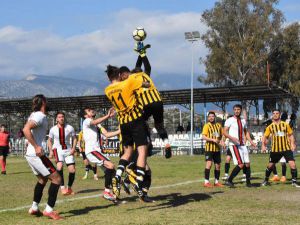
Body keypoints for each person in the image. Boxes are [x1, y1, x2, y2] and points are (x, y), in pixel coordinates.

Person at [105, 65, 150, 201]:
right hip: (135, 120)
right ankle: (139, 180)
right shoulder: (128, 82)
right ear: (119, 75)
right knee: (142, 150)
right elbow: (146, 85)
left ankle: (118, 175)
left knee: (127, 152)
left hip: (123, 123)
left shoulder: (107, 90)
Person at [119, 44, 171, 159]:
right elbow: (147, 65)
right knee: (159, 125)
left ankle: (147, 144)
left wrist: (140, 54)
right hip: (158, 101)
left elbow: (137, 66)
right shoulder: (146, 75)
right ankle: (167, 143)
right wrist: (142, 53)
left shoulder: (131, 79)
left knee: (139, 123)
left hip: (146, 104)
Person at [23, 94, 63, 220]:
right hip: (36, 154)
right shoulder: (39, 115)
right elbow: (26, 129)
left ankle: (34, 208)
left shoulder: (36, 115)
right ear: (43, 102)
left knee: (42, 180)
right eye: (47, 100)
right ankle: (49, 210)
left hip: (31, 154)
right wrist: (36, 146)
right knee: (57, 179)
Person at [82, 107, 117, 201]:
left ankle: (114, 195)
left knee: (113, 171)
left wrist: (121, 130)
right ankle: (106, 192)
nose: (92, 110)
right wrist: (108, 116)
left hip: (97, 151)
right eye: (89, 110)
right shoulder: (86, 121)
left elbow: (107, 134)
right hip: (92, 151)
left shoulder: (98, 125)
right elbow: (94, 122)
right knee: (110, 165)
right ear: (85, 115)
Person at [261, 109, 299, 187]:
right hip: (275, 150)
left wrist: (292, 143)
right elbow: (265, 136)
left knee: (292, 164)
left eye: (277, 113)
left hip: (286, 149)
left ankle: (294, 182)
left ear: (279, 114)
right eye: (274, 113)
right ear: (272, 115)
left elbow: (291, 135)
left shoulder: (285, 124)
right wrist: (263, 145)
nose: (275, 115)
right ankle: (266, 180)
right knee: (270, 165)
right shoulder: (270, 126)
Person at [223, 104, 256, 187]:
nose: (237, 111)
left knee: (247, 163)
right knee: (240, 164)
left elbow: (246, 132)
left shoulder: (243, 121)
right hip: (234, 144)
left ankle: (248, 183)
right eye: (235, 109)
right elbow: (224, 132)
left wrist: (251, 142)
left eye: (238, 109)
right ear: (233, 110)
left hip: (242, 145)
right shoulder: (229, 120)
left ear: (241, 110)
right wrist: (232, 138)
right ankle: (229, 180)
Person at [48, 112, 77, 195]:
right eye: (59, 117)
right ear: (56, 119)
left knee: (72, 170)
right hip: (57, 150)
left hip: (68, 150)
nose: (61, 118)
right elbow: (49, 140)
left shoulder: (70, 128)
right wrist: (50, 151)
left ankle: (69, 188)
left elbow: (75, 138)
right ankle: (62, 188)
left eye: (62, 117)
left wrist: (73, 148)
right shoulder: (53, 129)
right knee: (59, 167)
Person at [202, 112, 224, 187]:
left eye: (212, 116)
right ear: (208, 118)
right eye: (210, 116)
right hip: (209, 148)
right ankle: (206, 182)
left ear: (215, 117)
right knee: (209, 164)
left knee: (218, 165)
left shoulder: (218, 126)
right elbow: (204, 137)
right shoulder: (206, 126)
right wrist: (213, 140)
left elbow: (219, 136)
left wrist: (221, 142)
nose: (211, 117)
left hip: (217, 149)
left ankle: (216, 182)